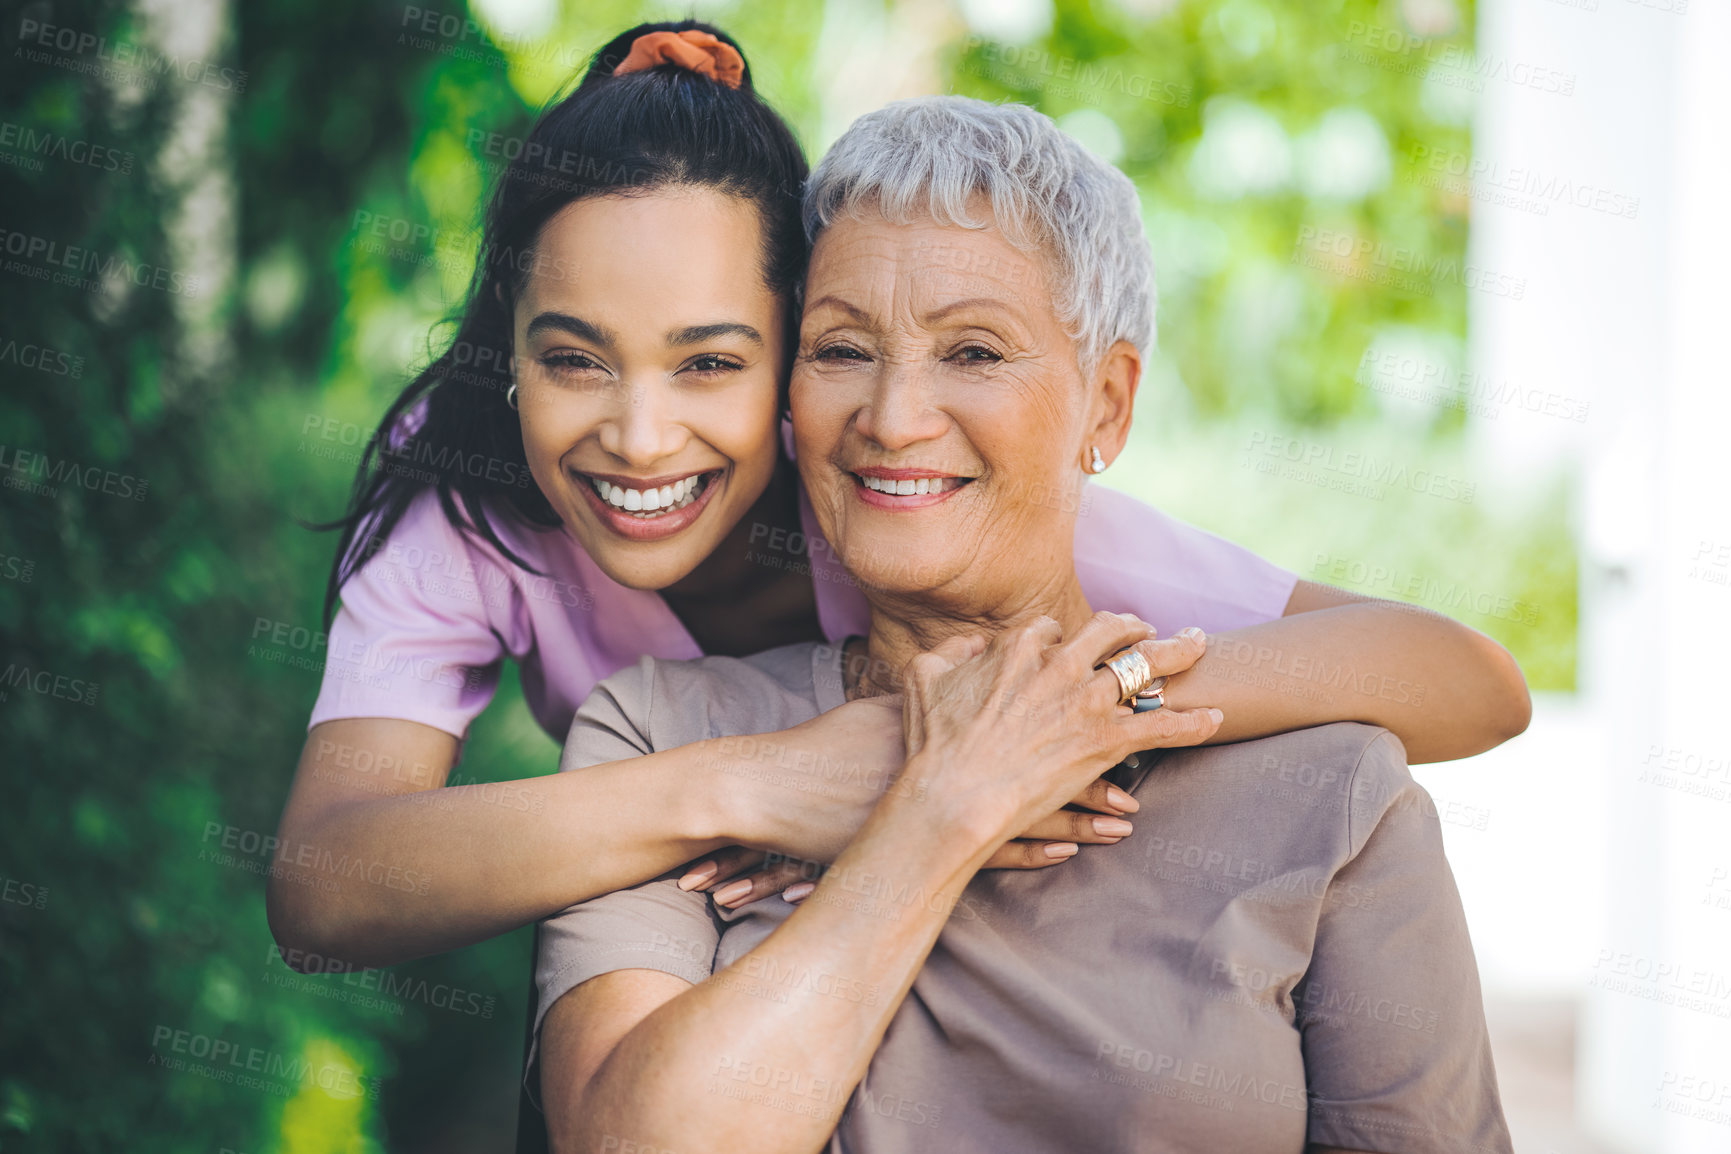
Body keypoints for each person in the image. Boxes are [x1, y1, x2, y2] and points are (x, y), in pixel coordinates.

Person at [267, 21, 1530, 973]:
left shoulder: (895, 483)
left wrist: (1049, 713)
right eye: (572, 356)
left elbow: (1468, 676)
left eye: (710, 360)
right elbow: (324, 885)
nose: (640, 437)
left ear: (792, 353)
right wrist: (751, 781)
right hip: (670, 939)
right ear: (510, 350)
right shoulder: (476, 494)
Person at [533, 95, 1513, 1154]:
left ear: (1106, 406)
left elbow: (1477, 679)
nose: (894, 415)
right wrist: (944, 806)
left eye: (975, 353)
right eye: (841, 349)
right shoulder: (661, 732)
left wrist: (1073, 712)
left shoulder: (1337, 796)